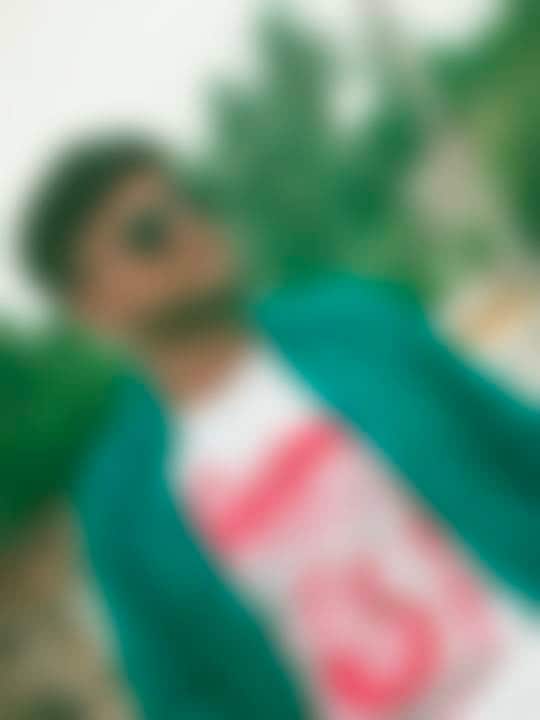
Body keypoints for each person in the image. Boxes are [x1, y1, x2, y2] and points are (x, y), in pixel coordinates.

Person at [18, 132, 540, 719]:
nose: (190, 228)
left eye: (194, 200)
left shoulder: (358, 327)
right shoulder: (121, 508)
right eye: (149, 232)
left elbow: (522, 447)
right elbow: (180, 699)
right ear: (93, 304)